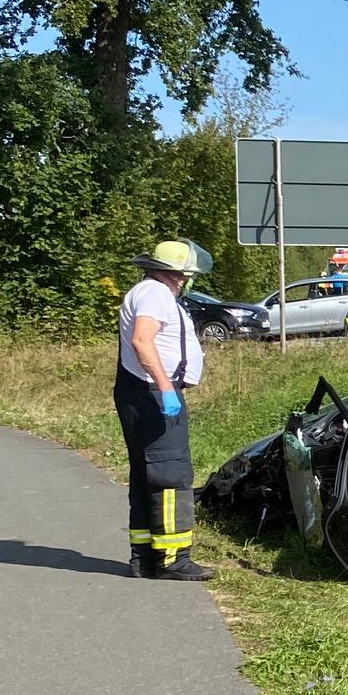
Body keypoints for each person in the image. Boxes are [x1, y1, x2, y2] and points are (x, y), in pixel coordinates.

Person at [116, 240, 212, 581]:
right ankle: (173, 559)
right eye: (188, 274)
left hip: (141, 392)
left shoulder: (147, 291)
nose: (188, 280)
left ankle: (143, 557)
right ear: (179, 273)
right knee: (170, 475)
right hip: (154, 393)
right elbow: (144, 340)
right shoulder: (156, 293)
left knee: (147, 475)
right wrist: (167, 387)